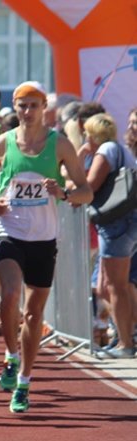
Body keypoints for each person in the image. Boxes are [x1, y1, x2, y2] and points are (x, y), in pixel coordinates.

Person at [0, 81, 92, 413]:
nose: (27, 111)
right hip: (9, 230)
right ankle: (12, 354)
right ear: (15, 108)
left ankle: (24, 382)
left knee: (33, 314)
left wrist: (63, 193)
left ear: (44, 106)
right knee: (12, 293)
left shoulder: (59, 145)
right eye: (22, 105)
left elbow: (85, 191)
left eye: (33, 105)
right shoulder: (1, 144)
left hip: (44, 237)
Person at [81, 113, 137, 358]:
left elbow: (89, 187)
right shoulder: (121, 150)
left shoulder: (106, 150)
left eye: (86, 133)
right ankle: (125, 338)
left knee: (116, 286)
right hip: (120, 222)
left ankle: (126, 343)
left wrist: (79, 159)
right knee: (104, 286)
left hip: (117, 223)